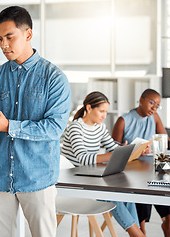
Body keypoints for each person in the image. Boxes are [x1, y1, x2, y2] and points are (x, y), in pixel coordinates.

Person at [0, 6, 71, 237]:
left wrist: (9, 126)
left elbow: (55, 128)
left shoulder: (54, 78)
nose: (3, 45)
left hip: (37, 177)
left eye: (9, 37)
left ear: (28, 34)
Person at [112, 88, 170, 237]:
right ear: (140, 100)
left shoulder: (155, 117)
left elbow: (167, 142)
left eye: (157, 105)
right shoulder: (123, 120)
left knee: (166, 181)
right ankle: (141, 229)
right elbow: (114, 152)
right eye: (152, 103)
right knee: (144, 185)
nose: (154, 108)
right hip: (133, 169)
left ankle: (168, 225)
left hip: (154, 165)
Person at [61, 91, 145, 237]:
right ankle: (138, 235)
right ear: (88, 108)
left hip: (89, 177)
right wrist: (114, 154)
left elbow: (112, 147)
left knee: (127, 193)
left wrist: (132, 149)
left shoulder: (100, 127)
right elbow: (84, 158)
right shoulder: (75, 128)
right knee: (110, 194)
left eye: (106, 112)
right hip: (73, 181)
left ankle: (136, 233)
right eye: (101, 111)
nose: (104, 116)